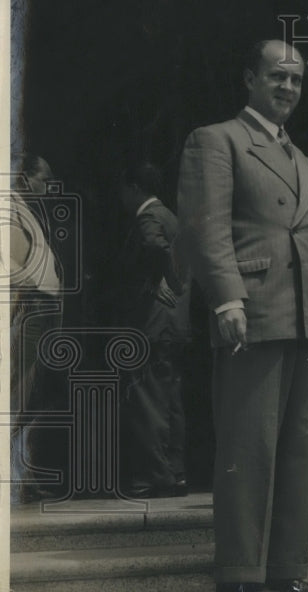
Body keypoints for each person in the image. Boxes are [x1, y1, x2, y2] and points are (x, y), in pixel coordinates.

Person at [177, 39, 308, 592]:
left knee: (301, 451)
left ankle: (286, 574)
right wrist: (227, 297)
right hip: (255, 311)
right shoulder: (217, 140)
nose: (288, 88)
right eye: (277, 77)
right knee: (249, 449)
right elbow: (204, 227)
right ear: (250, 79)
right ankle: (242, 576)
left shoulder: (304, 159)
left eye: (296, 80)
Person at [115, 162, 191, 499]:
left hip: (153, 323)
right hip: (175, 324)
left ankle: (154, 476)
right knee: (170, 399)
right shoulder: (173, 217)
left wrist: (156, 281)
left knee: (148, 400)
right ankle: (174, 472)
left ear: (133, 188)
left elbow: (154, 248)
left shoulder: (148, 218)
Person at [7, 155, 65, 502]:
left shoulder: (26, 209)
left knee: (30, 394)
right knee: (20, 391)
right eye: (46, 180)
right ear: (27, 180)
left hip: (43, 309)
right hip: (32, 308)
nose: (50, 188)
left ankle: (21, 477)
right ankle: (15, 480)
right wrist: (28, 285)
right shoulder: (10, 208)